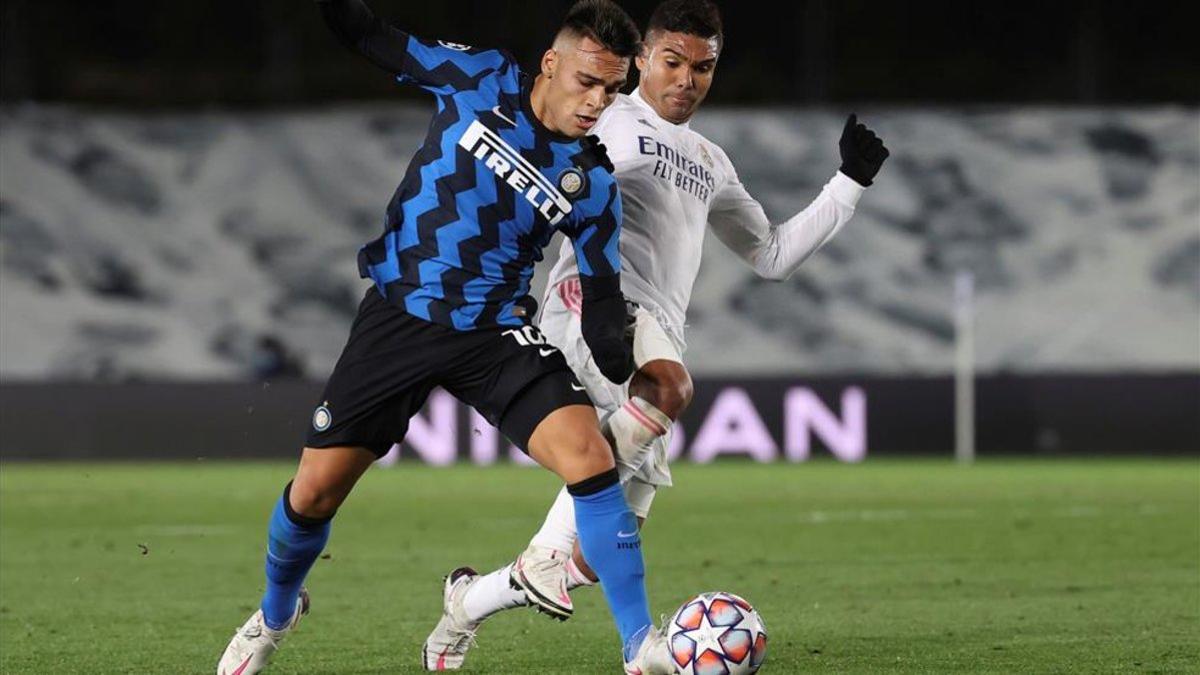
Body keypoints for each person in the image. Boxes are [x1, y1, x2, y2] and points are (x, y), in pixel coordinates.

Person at [423, 0, 889, 668]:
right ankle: (629, 639)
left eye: (703, 67)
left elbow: (774, 255)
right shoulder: (606, 118)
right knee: (669, 386)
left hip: (659, 330)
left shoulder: (710, 160)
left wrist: (848, 184)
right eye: (672, 61)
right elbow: (544, 178)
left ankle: (468, 602)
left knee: (595, 554)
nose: (687, 79)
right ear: (642, 57)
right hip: (597, 309)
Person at [216, 1, 678, 673]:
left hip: (494, 332)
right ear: (551, 63)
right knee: (313, 493)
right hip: (401, 317)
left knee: (590, 458)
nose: (597, 101)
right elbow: (371, 35)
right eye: (587, 81)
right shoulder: (479, 77)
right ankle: (275, 613)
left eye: (612, 89)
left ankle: (642, 649)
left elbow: (603, 308)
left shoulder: (592, 180)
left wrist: (631, 361)